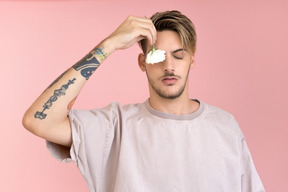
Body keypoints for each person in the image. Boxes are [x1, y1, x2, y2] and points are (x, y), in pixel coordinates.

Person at [22, 10, 265, 192]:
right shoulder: (114, 127)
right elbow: (37, 120)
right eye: (157, 56)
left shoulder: (225, 126)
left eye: (178, 56)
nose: (169, 66)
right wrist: (110, 44)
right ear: (142, 63)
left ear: (191, 60)